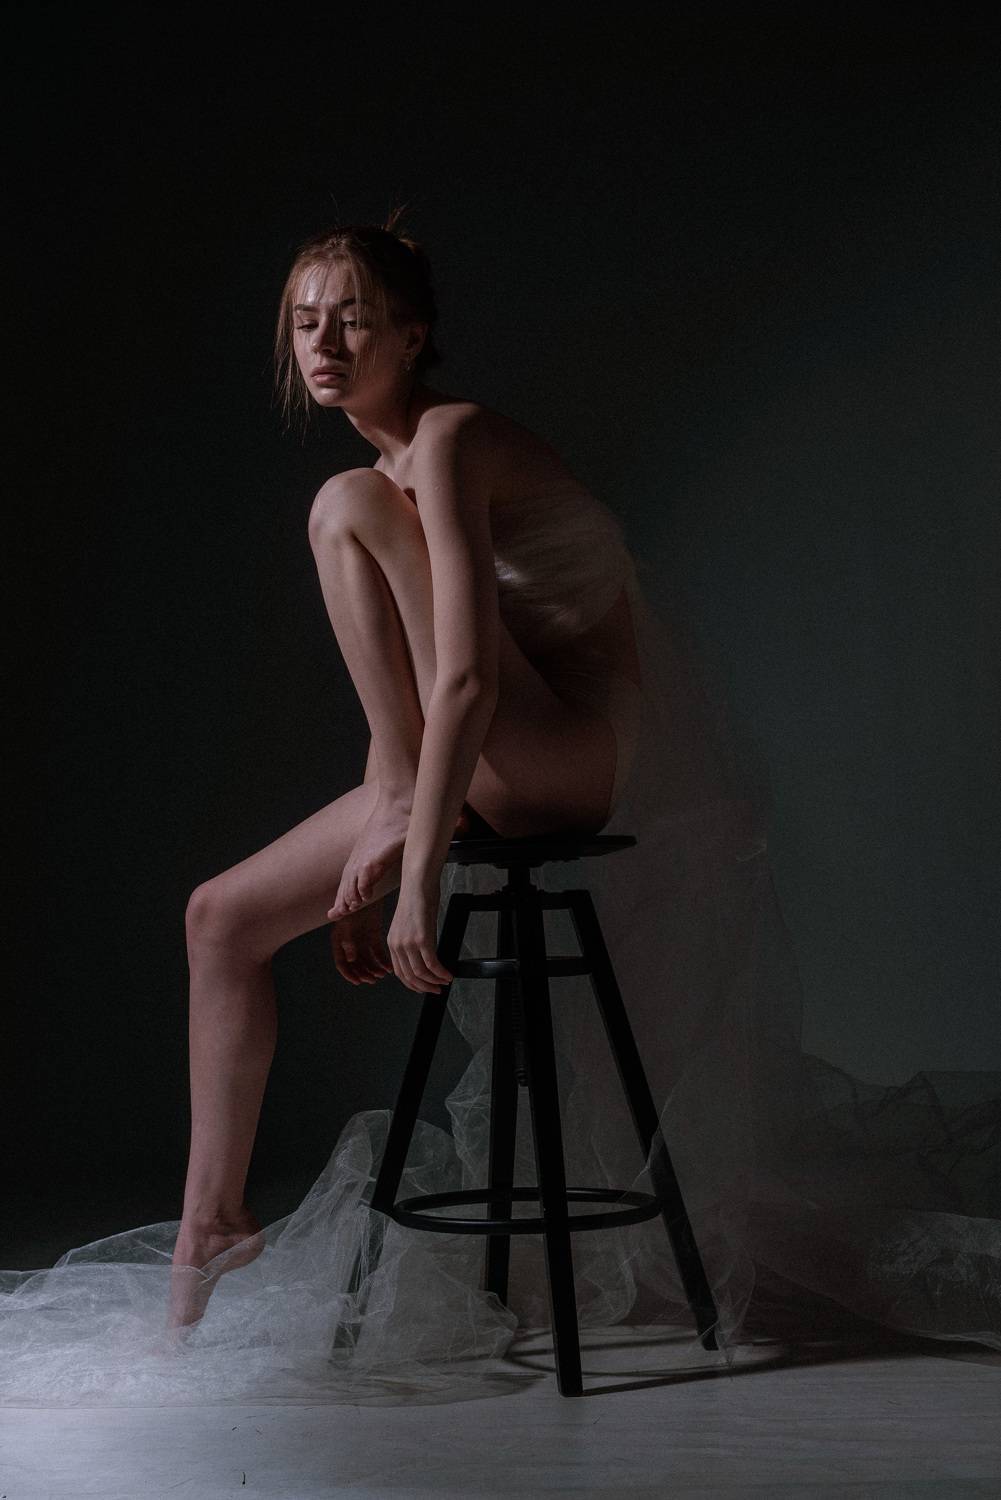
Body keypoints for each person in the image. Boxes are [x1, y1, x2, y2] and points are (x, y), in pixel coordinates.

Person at [1, 217, 998, 1407]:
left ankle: (395, 810)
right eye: (305, 321)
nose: (323, 343)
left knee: (340, 507)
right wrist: (392, 826)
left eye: (353, 318)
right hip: (462, 761)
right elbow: (420, 691)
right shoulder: (387, 483)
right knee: (217, 917)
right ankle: (210, 1219)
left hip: (571, 756)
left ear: (412, 334)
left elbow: (467, 680)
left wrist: (415, 869)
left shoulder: (449, 440)